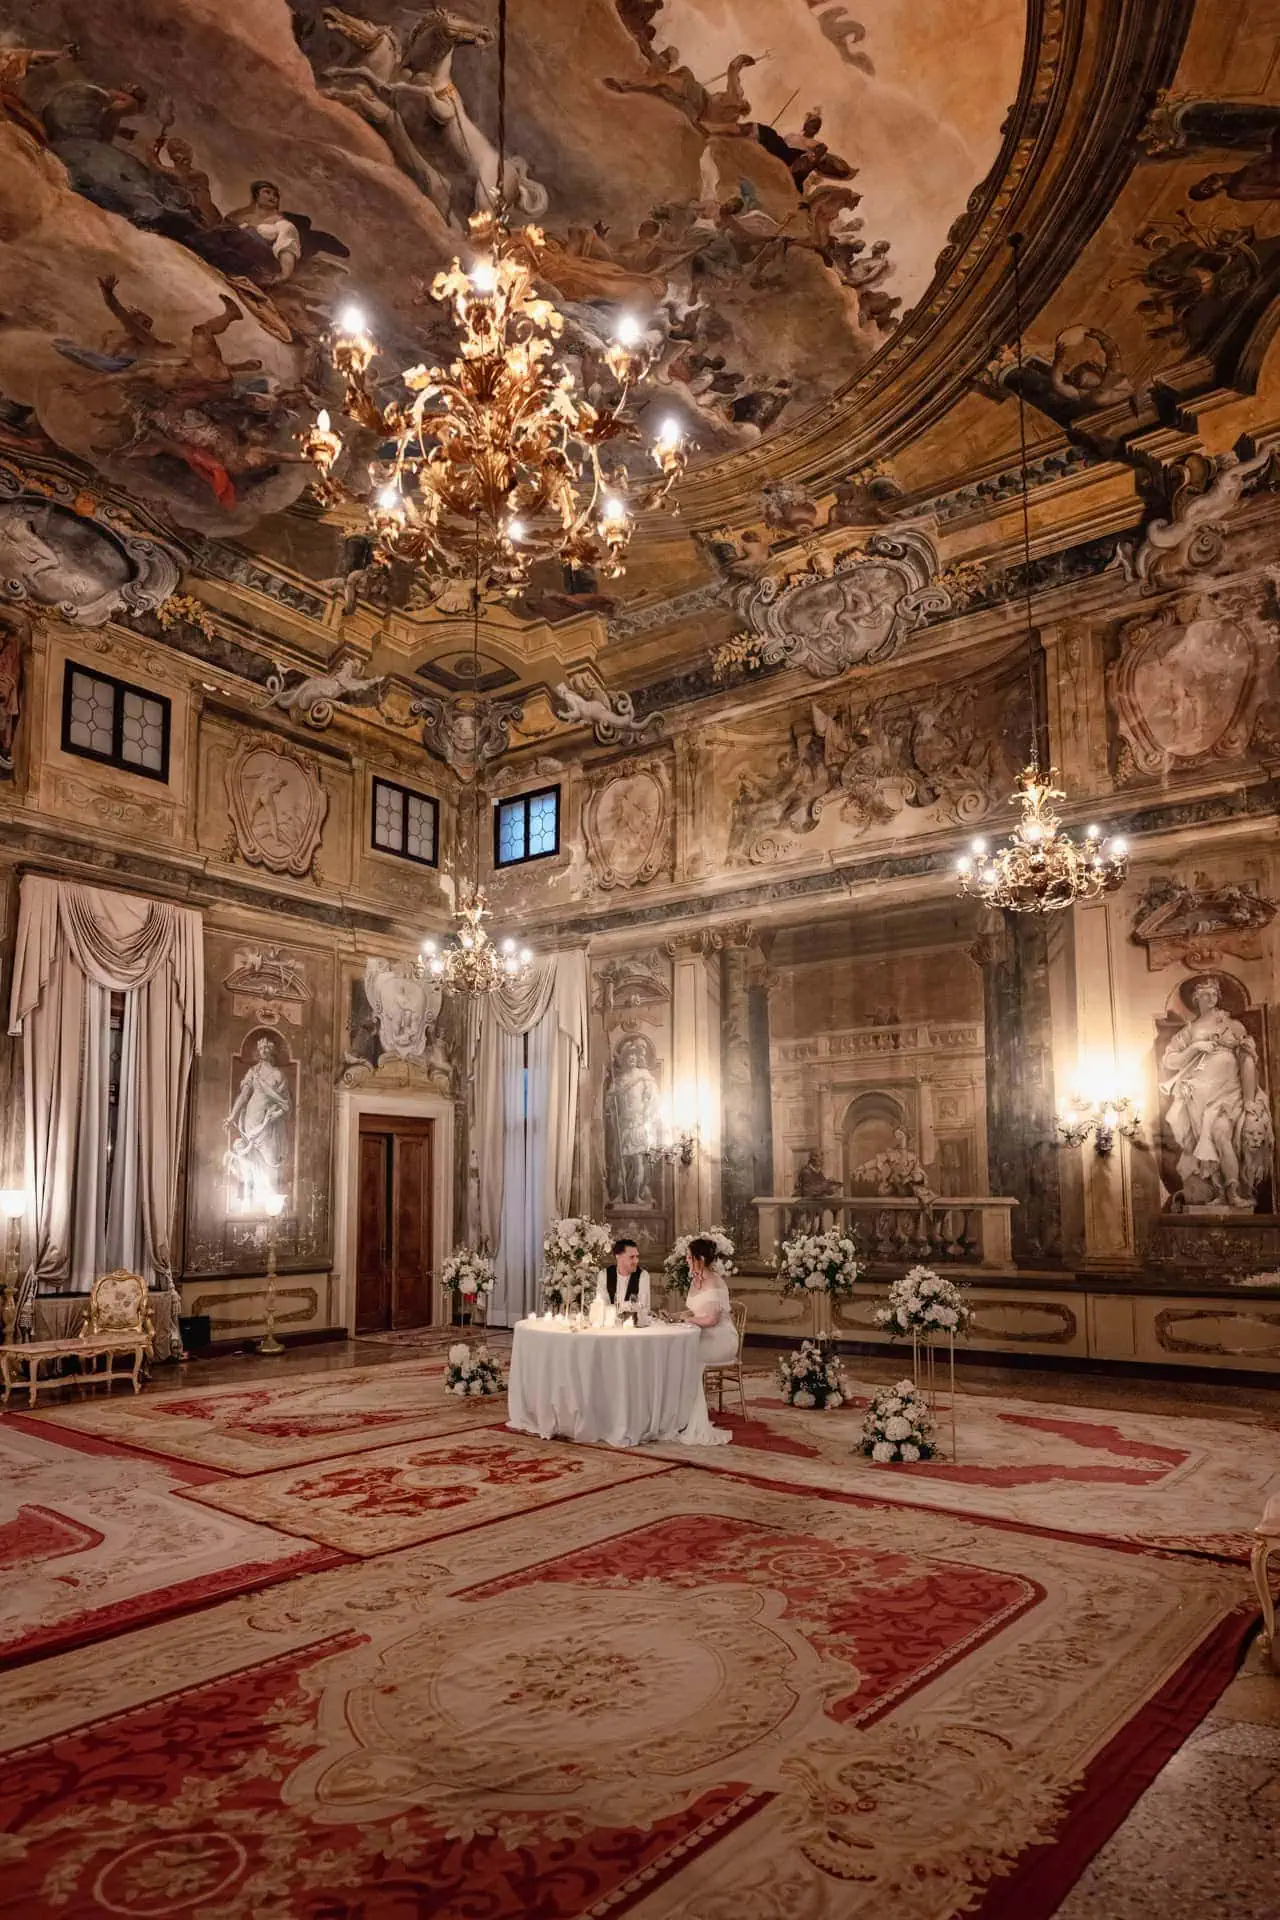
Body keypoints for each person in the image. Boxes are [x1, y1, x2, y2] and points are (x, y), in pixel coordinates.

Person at [677, 1236, 735, 1447]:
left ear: (699, 1259)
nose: (686, 1261)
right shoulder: (695, 1280)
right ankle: (677, 1415)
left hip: (720, 1338)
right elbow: (694, 1311)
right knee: (678, 1355)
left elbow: (711, 1319)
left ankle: (690, 1419)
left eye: (689, 1257)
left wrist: (687, 1319)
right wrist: (676, 1316)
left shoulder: (715, 1281)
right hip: (701, 1334)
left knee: (687, 1359)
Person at [595, 1237, 652, 1316]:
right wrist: (628, 1305)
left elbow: (642, 1306)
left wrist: (615, 1307)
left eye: (637, 1256)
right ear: (618, 1256)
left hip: (635, 1326)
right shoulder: (604, 1275)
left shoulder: (643, 1275)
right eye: (631, 1257)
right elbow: (601, 1305)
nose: (636, 1261)